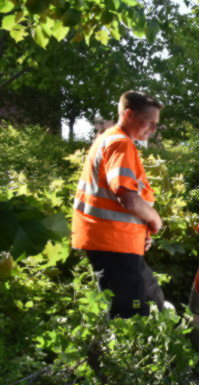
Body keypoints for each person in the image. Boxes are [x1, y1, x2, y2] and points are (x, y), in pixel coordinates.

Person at [71, 91, 163, 318]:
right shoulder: (121, 144)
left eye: (156, 124)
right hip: (113, 242)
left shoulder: (109, 139)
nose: (153, 130)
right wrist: (154, 219)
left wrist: (142, 230)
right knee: (129, 315)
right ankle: (123, 353)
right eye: (149, 122)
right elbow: (127, 197)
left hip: (115, 240)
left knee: (150, 301)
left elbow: (120, 199)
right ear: (128, 114)